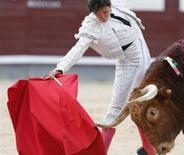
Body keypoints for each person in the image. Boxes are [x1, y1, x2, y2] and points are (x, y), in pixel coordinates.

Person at [47, 0, 155, 154]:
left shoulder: (116, 4)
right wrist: (60, 68)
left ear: (110, 6)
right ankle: (147, 150)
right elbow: (78, 48)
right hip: (129, 62)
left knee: (140, 104)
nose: (103, 17)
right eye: (99, 14)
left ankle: (148, 149)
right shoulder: (92, 24)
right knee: (122, 108)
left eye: (105, 12)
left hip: (143, 50)